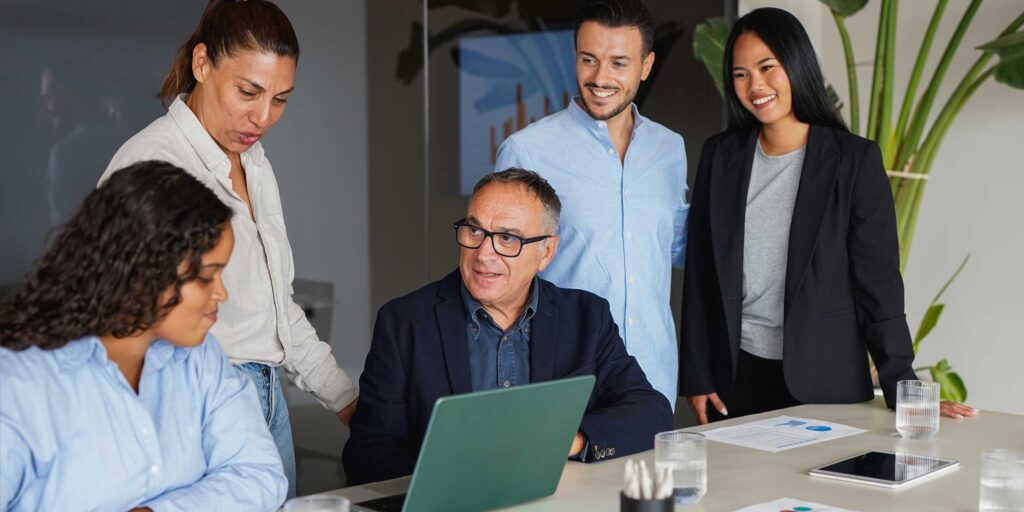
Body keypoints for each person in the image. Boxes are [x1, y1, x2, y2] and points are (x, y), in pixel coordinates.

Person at [101, 0, 357, 496]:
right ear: (202, 64)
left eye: (280, 99)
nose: (263, 117)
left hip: (269, 399)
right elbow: (116, 321)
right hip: (197, 407)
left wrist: (345, 398)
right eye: (248, 92)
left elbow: (276, 306)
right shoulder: (152, 164)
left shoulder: (253, 161)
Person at [679, 7, 978, 424]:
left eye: (767, 67)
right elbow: (701, 273)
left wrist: (903, 387)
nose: (755, 85)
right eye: (740, 73)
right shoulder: (720, 155)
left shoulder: (854, 160)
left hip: (825, 382)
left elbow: (879, 284)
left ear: (796, 63)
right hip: (735, 379)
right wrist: (696, 375)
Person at [342, 169, 672, 484]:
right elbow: (367, 452)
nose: (484, 253)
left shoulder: (586, 317)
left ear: (546, 252)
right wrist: (452, 477)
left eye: (507, 238)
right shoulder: (404, 322)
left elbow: (650, 412)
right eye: (474, 231)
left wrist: (564, 441)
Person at [0, 161, 286, 511]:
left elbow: (260, 475)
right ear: (142, 271)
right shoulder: (18, 384)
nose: (221, 294)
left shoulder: (201, 358)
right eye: (205, 277)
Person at [495, 0, 688, 407]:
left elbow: (676, 249)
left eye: (619, 63)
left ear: (646, 65)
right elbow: (500, 275)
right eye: (589, 60)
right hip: (565, 375)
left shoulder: (670, 149)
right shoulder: (527, 151)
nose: (600, 78)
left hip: (654, 373)